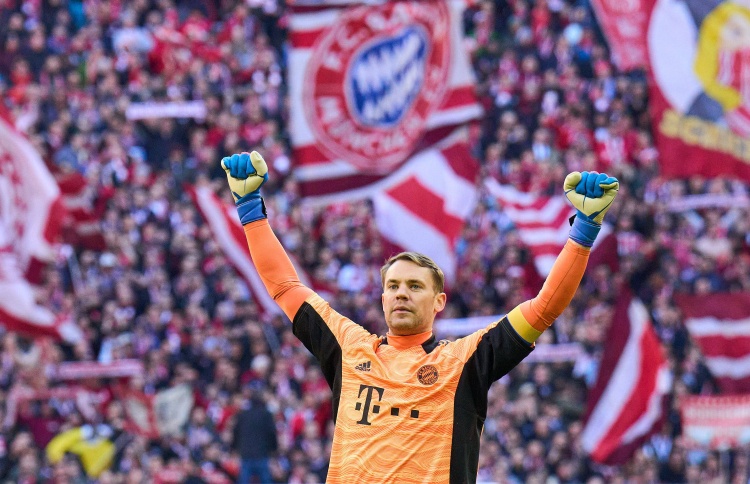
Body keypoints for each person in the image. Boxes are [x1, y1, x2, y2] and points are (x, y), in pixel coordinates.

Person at [220, 151, 619, 483]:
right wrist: (250, 209)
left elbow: (544, 307)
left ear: (439, 301)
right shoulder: (348, 347)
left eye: (414, 286)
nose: (401, 293)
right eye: (393, 286)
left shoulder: (464, 362)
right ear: (382, 298)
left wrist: (584, 231)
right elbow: (285, 287)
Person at [233, 383, 278, 484]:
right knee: (266, 481)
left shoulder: (243, 415)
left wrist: (234, 448)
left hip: (246, 453)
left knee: (243, 481)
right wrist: (274, 449)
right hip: (262, 454)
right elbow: (272, 433)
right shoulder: (266, 414)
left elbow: (236, 432)